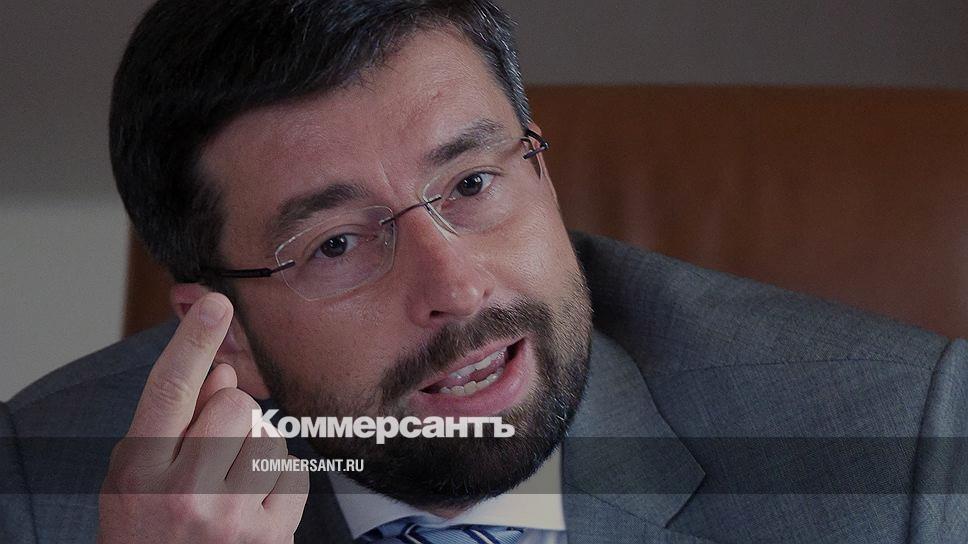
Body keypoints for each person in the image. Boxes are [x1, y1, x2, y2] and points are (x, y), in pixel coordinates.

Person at [2, 1, 966, 543]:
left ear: (539, 165)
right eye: (336, 243)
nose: (457, 291)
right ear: (225, 330)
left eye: (470, 183)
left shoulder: (896, 453)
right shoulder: (42, 493)